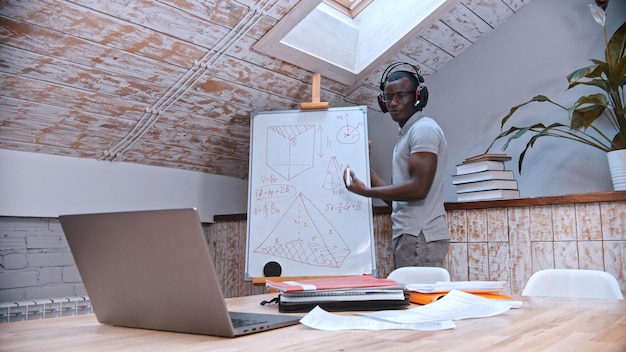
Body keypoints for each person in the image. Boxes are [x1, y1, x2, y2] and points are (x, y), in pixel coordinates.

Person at [344, 62, 450, 268]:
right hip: (410, 235)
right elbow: (398, 202)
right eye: (388, 97)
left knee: (420, 300)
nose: (393, 103)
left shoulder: (423, 130)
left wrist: (365, 191)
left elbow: (418, 189)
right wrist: (367, 168)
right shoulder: (407, 135)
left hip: (420, 236)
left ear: (418, 97)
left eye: (400, 96)